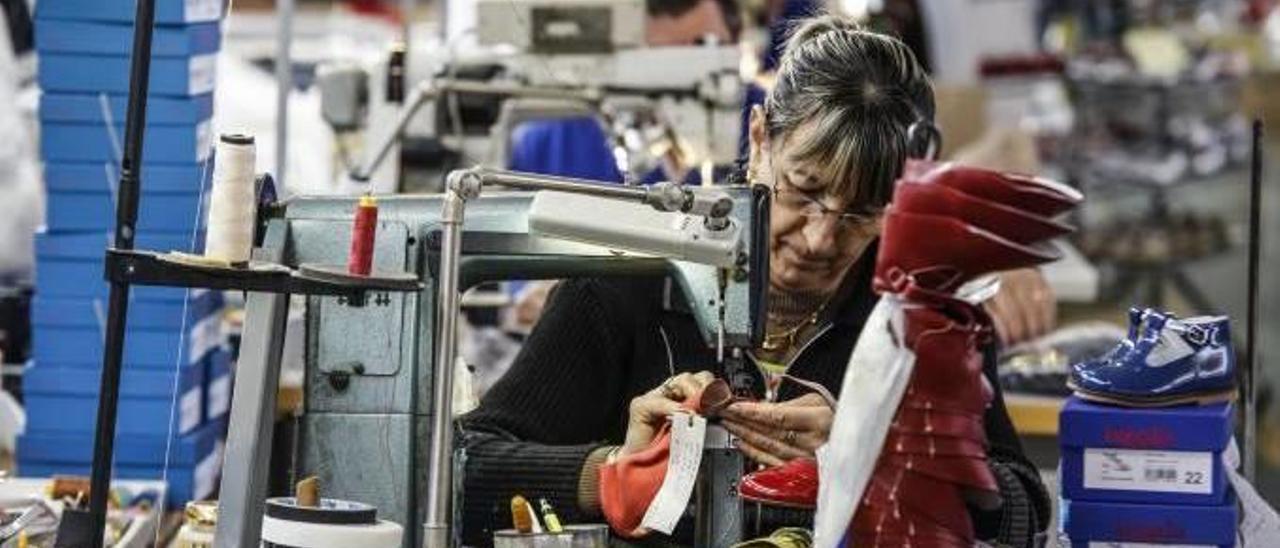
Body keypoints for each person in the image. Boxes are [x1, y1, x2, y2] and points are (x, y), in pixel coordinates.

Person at [458, 14, 1050, 547]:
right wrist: (610, 473)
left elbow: (1025, 508)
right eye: (806, 190)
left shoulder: (923, 316)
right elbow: (465, 468)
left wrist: (883, 457)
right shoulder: (626, 285)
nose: (821, 238)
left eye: (864, 212)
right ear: (761, 137)